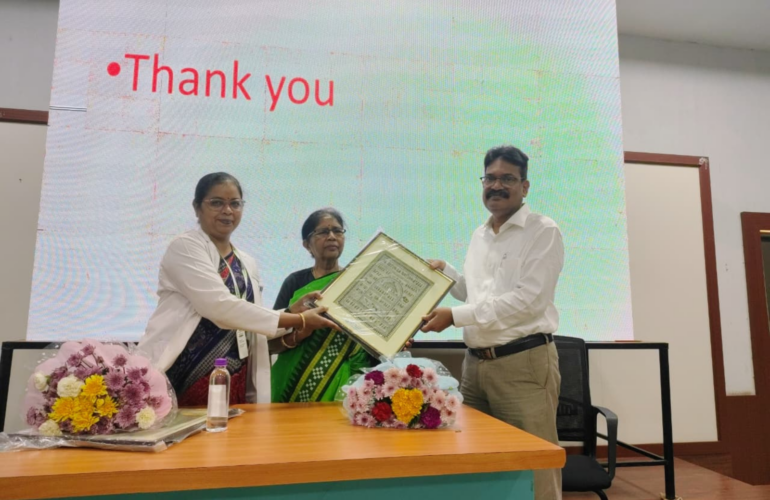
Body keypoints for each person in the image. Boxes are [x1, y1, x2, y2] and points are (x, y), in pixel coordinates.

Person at [421, 145, 564, 500]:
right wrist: (446, 274)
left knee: (533, 463)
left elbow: (528, 301)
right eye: (490, 178)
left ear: (525, 186)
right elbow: (476, 294)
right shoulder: (479, 235)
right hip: (475, 366)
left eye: (508, 179)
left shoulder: (542, 231)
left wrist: (454, 317)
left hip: (522, 364)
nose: (497, 186)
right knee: (480, 461)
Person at [139, 173, 336, 406]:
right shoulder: (186, 247)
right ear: (197, 207)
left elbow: (249, 321)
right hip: (181, 374)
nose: (227, 211)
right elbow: (219, 307)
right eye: (216, 203)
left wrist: (291, 312)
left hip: (233, 378)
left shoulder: (246, 262)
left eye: (235, 203)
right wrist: (299, 320)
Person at [269, 208, 377, 403]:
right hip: (292, 382)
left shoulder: (359, 283)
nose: (332, 236)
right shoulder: (295, 282)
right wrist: (300, 334)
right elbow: (269, 342)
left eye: (337, 231)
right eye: (323, 232)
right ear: (307, 244)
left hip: (347, 384)